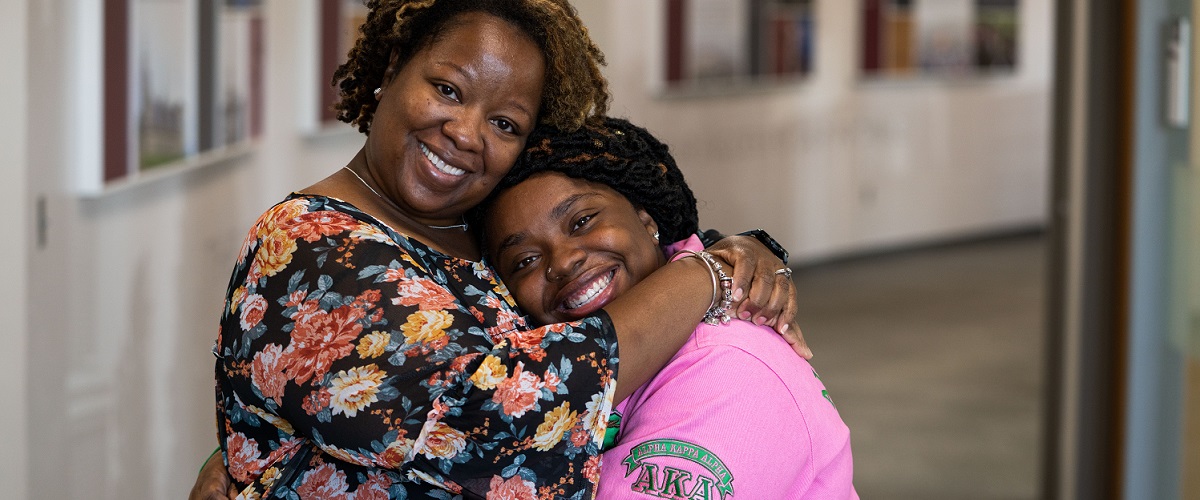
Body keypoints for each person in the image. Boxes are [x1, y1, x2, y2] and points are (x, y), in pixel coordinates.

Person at [200, 1, 805, 498]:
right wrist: (707, 275)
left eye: (506, 124)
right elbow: (503, 409)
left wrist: (746, 251)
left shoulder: (467, 233)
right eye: (447, 89)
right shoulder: (308, 245)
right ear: (392, 67)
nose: (465, 133)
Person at [478, 117, 857, 499]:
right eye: (524, 261)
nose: (561, 263)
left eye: (582, 221)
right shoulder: (555, 359)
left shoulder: (723, 365)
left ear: (646, 219)